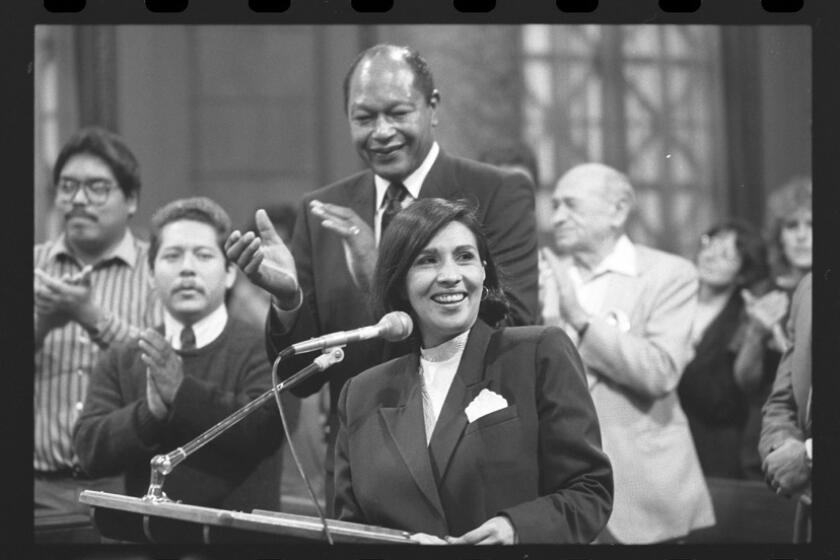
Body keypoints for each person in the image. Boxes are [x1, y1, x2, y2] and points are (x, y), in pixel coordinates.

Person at [225, 43, 538, 511]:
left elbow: (515, 330)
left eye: (398, 112)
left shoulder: (496, 192)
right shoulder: (323, 211)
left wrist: (384, 280)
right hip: (359, 478)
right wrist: (289, 301)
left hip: (467, 470)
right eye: (364, 117)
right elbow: (303, 382)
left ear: (433, 107)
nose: (382, 132)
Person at [333, 198, 612, 544]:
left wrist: (516, 529)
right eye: (427, 261)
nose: (450, 276)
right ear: (399, 283)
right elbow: (350, 530)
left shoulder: (538, 352)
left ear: (483, 271)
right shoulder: (362, 393)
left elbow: (589, 491)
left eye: (464, 257)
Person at [539, 162, 714, 543]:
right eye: (554, 206)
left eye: (570, 205)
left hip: (644, 491)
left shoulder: (670, 274)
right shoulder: (542, 274)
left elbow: (661, 371)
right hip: (559, 487)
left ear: (617, 211)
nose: (556, 218)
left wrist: (581, 320)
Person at [73, 197, 283, 511]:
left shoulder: (264, 347)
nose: (187, 268)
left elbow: (263, 432)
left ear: (229, 274)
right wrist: (150, 414)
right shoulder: (125, 356)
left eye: (203, 255)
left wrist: (181, 394)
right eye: (172, 255)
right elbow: (89, 450)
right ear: (150, 275)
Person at [34, 127, 162, 526]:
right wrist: (41, 325)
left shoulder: (158, 271)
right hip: (36, 490)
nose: (78, 200)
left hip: (124, 489)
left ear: (131, 200)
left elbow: (163, 372)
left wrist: (91, 316)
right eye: (68, 187)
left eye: (96, 188)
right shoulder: (31, 266)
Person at [677, 220, 770, 478]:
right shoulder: (674, 300)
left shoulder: (744, 316)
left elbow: (733, 397)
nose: (711, 256)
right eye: (711, 244)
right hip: (668, 436)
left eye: (727, 254)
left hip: (715, 446)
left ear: (743, 272)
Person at [737, 176, 812, 479]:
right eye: (792, 226)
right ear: (779, 235)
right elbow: (744, 380)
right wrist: (756, 331)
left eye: (811, 224)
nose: (801, 236)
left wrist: (783, 337)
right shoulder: (764, 291)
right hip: (766, 433)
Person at [759, 272, 812, 542]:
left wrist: (810, 456)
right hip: (812, 511)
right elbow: (783, 398)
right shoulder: (810, 286)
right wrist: (782, 445)